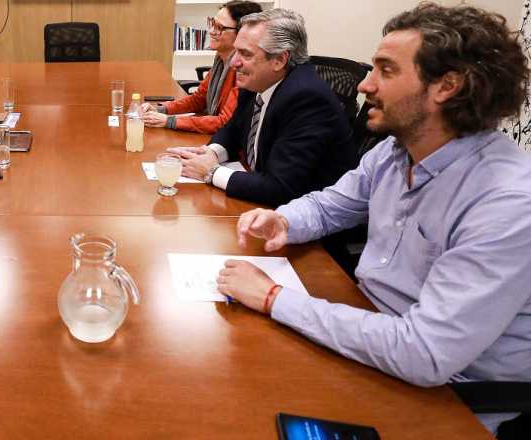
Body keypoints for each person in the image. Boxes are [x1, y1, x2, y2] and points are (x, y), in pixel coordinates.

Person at [219, 3, 531, 436]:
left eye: (385, 70)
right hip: (368, 338)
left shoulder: (507, 203)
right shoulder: (394, 151)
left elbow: (424, 353)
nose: (365, 84)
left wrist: (273, 297)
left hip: (447, 397)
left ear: (447, 86)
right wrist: (284, 221)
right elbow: (331, 204)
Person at [170, 9, 356, 207]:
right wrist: (211, 154)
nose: (234, 62)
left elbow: (280, 187)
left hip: (306, 215)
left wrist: (211, 172)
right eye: (236, 51)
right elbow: (233, 129)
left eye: (245, 54)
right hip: (261, 199)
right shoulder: (257, 81)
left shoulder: (307, 99)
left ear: (279, 60)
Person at [140, 1, 262, 134]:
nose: (211, 31)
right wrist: (161, 109)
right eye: (212, 23)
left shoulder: (242, 70)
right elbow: (198, 99)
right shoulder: (220, 59)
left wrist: (169, 121)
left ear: (242, 33)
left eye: (219, 27)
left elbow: (224, 122)